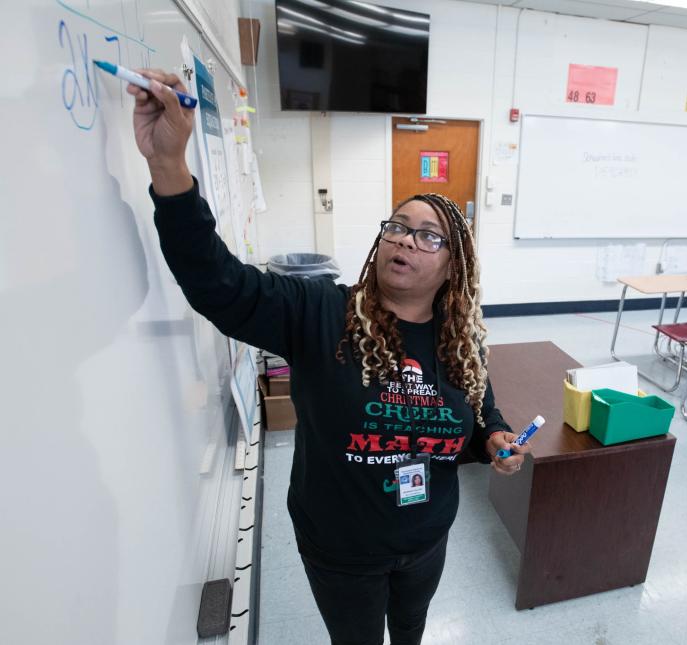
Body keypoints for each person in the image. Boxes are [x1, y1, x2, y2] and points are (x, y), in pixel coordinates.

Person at [128, 69, 528, 645]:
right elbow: (218, 285)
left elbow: (479, 400)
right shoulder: (320, 312)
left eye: (429, 235)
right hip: (342, 549)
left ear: (453, 267)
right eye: (397, 226)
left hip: (426, 537)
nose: (404, 240)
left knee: (411, 630)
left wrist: (494, 435)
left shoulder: (457, 338)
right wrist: (169, 167)